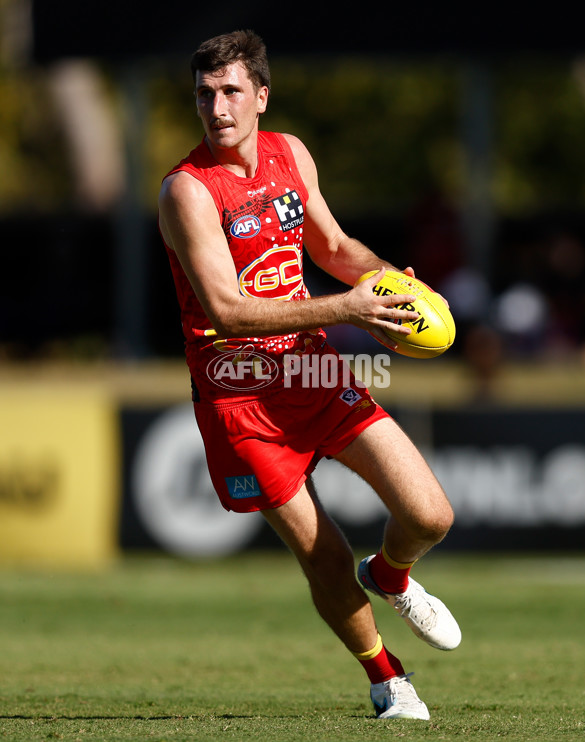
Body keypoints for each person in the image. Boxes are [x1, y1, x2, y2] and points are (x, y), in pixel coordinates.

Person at [158, 29, 461, 721]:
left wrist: (383, 284)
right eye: (204, 94)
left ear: (261, 96)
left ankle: (389, 574)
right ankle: (389, 681)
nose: (217, 107)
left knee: (430, 514)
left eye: (231, 90)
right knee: (322, 552)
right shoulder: (186, 191)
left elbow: (333, 246)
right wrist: (350, 307)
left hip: (312, 368)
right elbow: (228, 312)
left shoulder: (290, 153)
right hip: (238, 397)